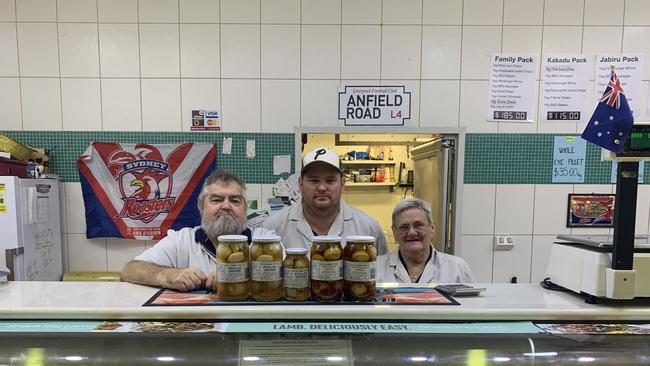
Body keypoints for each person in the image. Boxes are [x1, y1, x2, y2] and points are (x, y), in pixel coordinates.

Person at [120, 170, 251, 291]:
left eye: (235, 200)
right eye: (217, 200)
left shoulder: (264, 242)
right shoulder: (180, 240)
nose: (226, 206)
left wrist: (238, 274)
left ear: (244, 209)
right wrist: (168, 275)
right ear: (201, 207)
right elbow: (130, 270)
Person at [263, 147, 388, 255]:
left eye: (330, 180)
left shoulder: (369, 229)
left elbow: (383, 276)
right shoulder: (273, 228)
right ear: (300, 184)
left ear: (342, 184)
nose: (322, 188)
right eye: (313, 180)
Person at [377, 198, 475, 284]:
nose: (411, 233)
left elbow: (474, 304)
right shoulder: (376, 269)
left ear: (432, 228)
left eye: (418, 225)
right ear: (394, 233)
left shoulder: (458, 269)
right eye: (404, 227)